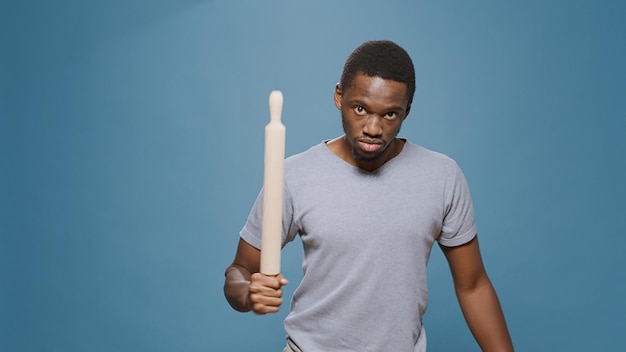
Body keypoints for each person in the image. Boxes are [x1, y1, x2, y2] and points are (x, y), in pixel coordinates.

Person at [224, 40, 514, 352]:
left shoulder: (442, 176)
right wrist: (247, 293)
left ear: (407, 110)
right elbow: (239, 271)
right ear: (339, 96)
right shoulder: (293, 176)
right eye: (360, 109)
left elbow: (473, 286)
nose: (373, 128)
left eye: (390, 114)